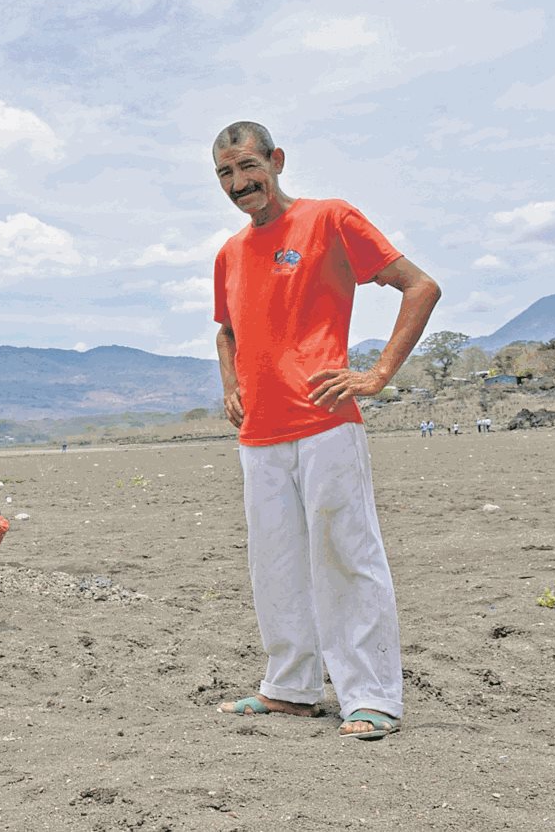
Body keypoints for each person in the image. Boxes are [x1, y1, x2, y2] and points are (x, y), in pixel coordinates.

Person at [210, 121, 441, 740]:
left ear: (277, 161)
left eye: (248, 166)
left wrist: (378, 374)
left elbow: (420, 286)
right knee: (275, 565)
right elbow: (227, 330)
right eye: (225, 173)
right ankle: (290, 688)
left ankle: (372, 697)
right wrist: (231, 384)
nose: (239, 182)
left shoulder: (329, 218)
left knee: (346, 557)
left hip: (324, 422)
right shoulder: (229, 252)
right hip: (260, 435)